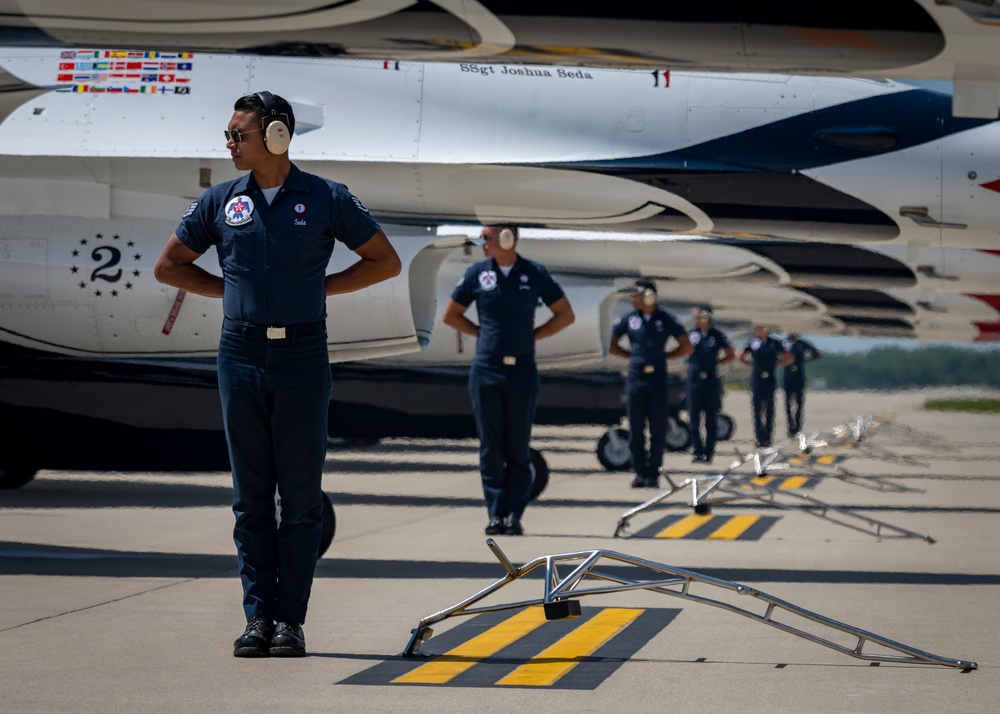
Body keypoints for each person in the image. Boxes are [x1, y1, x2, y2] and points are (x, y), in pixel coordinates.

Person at [153, 91, 401, 658]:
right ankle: (257, 617)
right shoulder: (220, 201)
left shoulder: (326, 197)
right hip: (239, 354)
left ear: (277, 137)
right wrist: (233, 294)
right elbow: (170, 267)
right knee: (250, 500)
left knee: (301, 496)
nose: (229, 143)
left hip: (302, 357)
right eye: (229, 134)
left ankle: (291, 621)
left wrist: (320, 289)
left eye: (238, 134)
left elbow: (383, 260)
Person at [442, 225, 574, 536]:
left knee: (518, 446)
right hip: (486, 370)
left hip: (522, 371)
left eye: (487, 238)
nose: (482, 244)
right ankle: (494, 513)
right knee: (490, 447)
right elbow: (451, 314)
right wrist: (482, 335)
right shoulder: (478, 274)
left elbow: (565, 314)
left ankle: (514, 514)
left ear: (506, 239)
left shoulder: (534, 273)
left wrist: (534, 336)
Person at [609, 280, 692, 488]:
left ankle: (653, 473)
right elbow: (611, 343)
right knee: (636, 428)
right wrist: (631, 356)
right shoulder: (630, 319)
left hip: (657, 378)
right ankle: (639, 472)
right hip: (636, 378)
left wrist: (666, 357)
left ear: (649, 296)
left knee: (657, 428)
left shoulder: (665, 319)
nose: (631, 299)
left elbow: (685, 345)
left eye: (635, 295)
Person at [685, 309, 735, 464]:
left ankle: (709, 452)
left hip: (710, 381)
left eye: (707, 319)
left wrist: (717, 363)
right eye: (701, 318)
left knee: (710, 420)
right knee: (693, 420)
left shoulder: (717, 335)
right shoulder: (691, 335)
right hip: (694, 381)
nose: (704, 321)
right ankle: (697, 451)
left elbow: (730, 353)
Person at [737, 324, 792, 448]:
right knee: (757, 409)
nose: (757, 331)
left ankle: (768, 437)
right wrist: (752, 365)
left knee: (769, 409)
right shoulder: (752, 342)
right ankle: (759, 437)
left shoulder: (774, 343)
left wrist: (776, 364)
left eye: (760, 328)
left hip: (769, 378)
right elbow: (740, 356)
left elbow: (788, 357)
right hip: (757, 377)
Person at [782, 331, 822, 436]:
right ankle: (790, 426)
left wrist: (805, 361)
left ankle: (798, 426)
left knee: (799, 402)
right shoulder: (783, 343)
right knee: (788, 402)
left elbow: (816, 353)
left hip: (799, 374)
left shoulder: (802, 343)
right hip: (787, 374)